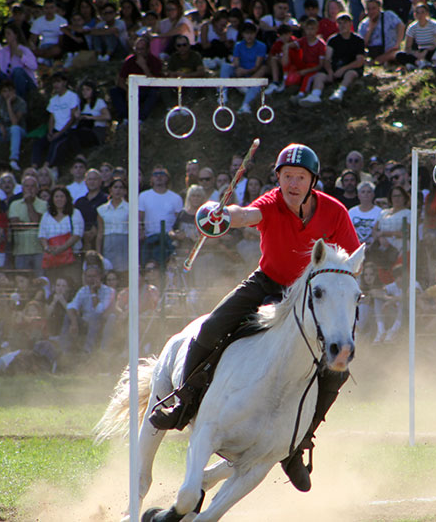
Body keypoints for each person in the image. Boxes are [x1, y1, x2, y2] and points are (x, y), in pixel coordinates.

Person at [148, 143, 361, 493]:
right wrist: (219, 216)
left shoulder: (335, 211)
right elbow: (245, 214)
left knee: (337, 369)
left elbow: (351, 262)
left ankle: (298, 443)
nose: (293, 184)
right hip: (266, 284)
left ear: (312, 181)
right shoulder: (271, 202)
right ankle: (183, 403)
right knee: (212, 327)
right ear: (278, 179)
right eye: (287, 176)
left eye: (300, 177)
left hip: (310, 299)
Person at [30, 72, 80, 171]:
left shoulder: (72, 96)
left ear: (64, 82)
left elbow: (72, 118)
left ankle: (46, 166)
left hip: (68, 130)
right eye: (54, 82)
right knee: (38, 143)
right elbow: (51, 118)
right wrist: (50, 132)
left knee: (55, 144)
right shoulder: (53, 100)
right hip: (55, 130)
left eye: (58, 81)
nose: (55, 84)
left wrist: (59, 133)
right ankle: (34, 167)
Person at [62, 264, 115, 353]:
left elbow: (99, 310)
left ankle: (88, 350)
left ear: (99, 277)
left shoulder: (109, 291)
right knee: (68, 316)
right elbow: (71, 306)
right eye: (89, 277)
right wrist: (74, 323)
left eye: (94, 276)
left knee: (95, 316)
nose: (91, 279)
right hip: (85, 323)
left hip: (101, 323)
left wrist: (93, 292)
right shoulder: (83, 290)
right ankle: (64, 351)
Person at [38, 186, 84, 288]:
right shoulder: (46, 215)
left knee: (72, 284)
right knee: (54, 285)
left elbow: (77, 234)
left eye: (62, 196)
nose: (59, 199)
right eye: (56, 196)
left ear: (67, 198)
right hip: (52, 257)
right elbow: (42, 235)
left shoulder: (75, 213)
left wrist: (62, 248)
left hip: (71, 257)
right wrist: (47, 248)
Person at [139, 166, 183, 265]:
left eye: (162, 174)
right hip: (149, 238)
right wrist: (140, 231)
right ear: (151, 178)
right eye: (155, 174)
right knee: (149, 268)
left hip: (169, 239)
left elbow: (179, 221)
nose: (159, 177)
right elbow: (139, 218)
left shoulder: (176, 198)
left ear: (167, 178)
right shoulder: (143, 196)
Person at [0, 24, 39, 99]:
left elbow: (34, 66)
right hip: (10, 81)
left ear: (15, 35)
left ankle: (18, 100)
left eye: (9, 33)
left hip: (27, 83)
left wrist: (22, 56)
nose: (6, 36)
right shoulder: (3, 51)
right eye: (5, 34)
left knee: (18, 71)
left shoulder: (24, 50)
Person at [358, 0, 404, 65]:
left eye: (374, 8)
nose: (371, 12)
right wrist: (370, 29)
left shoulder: (388, 15)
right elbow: (362, 45)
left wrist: (397, 44)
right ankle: (377, 62)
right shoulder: (364, 24)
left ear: (379, 7)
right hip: (374, 53)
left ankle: (379, 62)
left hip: (390, 50)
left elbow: (401, 26)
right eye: (368, 9)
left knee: (397, 55)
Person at [348, 180, 382, 245]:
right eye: (363, 192)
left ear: (373, 195)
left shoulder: (380, 212)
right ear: (358, 195)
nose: (366, 194)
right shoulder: (351, 212)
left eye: (369, 192)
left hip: (374, 247)